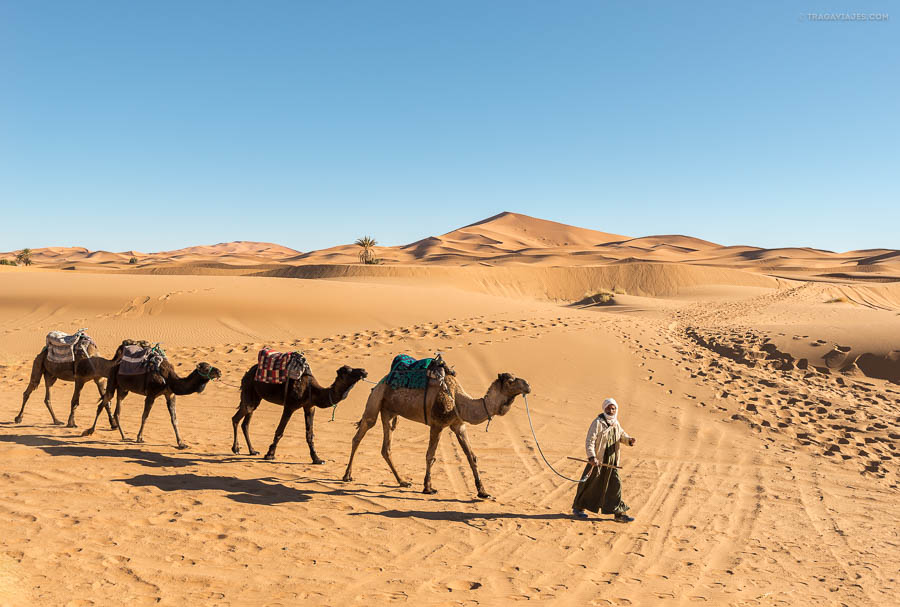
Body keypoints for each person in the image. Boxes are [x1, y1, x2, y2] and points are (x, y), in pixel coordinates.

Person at [572, 397, 636, 522]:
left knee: (615, 486)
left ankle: (619, 513)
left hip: (612, 462)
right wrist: (592, 457)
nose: (611, 410)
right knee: (589, 484)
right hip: (597, 461)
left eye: (613, 408)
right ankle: (578, 508)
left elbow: (622, 436)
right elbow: (590, 441)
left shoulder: (615, 423)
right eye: (608, 408)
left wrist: (629, 441)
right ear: (604, 408)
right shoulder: (597, 422)